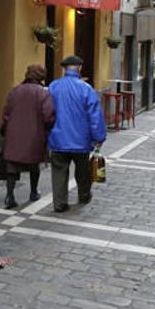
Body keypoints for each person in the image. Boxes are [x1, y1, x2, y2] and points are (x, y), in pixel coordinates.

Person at [48, 56, 107, 213]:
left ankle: (59, 203)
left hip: (58, 139)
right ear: (79, 68)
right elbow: (95, 116)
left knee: (59, 171)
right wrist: (99, 137)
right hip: (81, 141)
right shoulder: (86, 89)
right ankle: (84, 194)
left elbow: (47, 112)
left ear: (64, 69)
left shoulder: (53, 87)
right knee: (82, 170)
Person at [0, 65, 55, 209]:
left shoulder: (15, 91)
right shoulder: (43, 94)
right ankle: (33, 192)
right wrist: (48, 129)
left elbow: (6, 113)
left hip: (14, 133)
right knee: (33, 164)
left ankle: (9, 195)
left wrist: (5, 128)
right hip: (34, 134)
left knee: (12, 166)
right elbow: (48, 116)